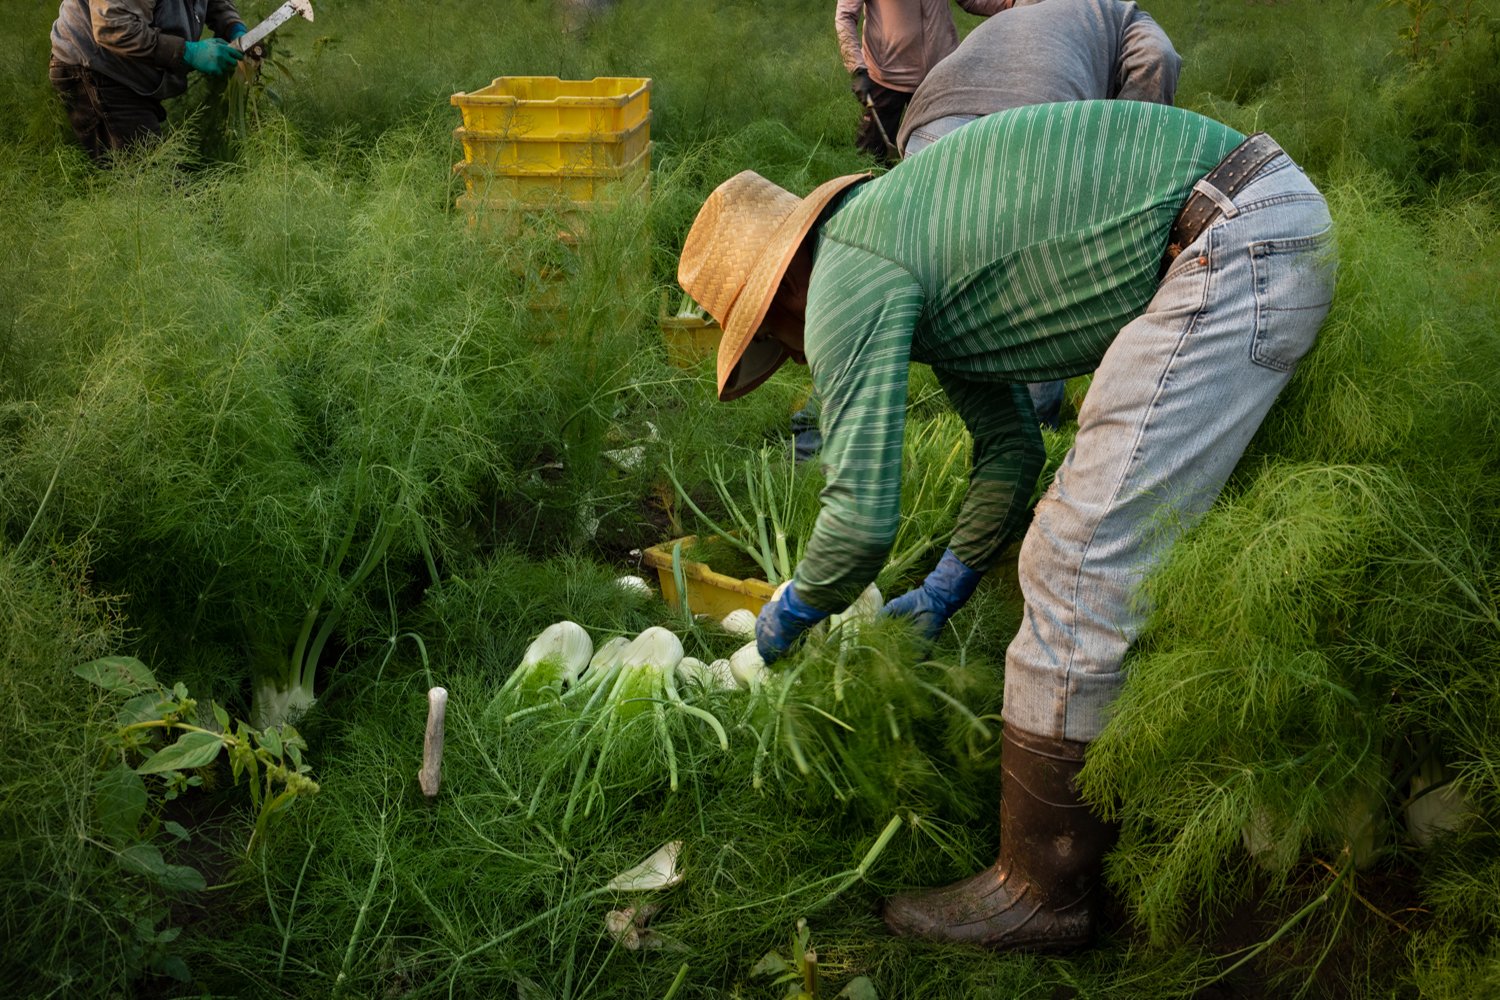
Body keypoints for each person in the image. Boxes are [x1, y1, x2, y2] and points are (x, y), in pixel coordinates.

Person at [677, 100, 1335, 951]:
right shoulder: (906, 242)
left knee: (1076, 556)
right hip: (1255, 218)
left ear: (780, 294)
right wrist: (947, 585)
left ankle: (1043, 892)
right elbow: (1007, 450)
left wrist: (791, 613)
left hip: (1231, 242)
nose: (798, 358)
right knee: (1144, 544)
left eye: (778, 339)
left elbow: (861, 519)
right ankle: (1147, 795)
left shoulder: (844, 272)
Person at [901, 0, 1181, 428]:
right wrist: (1121, 156)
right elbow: (1157, 59)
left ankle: (845, 407)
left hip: (930, 122)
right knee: (1037, 287)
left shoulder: (1029, 10)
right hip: (1032, 133)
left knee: (922, 278)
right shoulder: (1122, 13)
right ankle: (1031, 432)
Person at [50, 0, 249, 163]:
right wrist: (188, 52)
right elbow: (113, 25)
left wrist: (232, 25)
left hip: (134, 71)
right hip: (98, 68)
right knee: (152, 186)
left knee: (157, 179)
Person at [836, 0, 1013, 166]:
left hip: (938, 75)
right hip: (886, 77)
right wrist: (857, 68)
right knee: (872, 158)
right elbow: (845, 16)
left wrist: (1009, 3)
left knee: (944, 153)